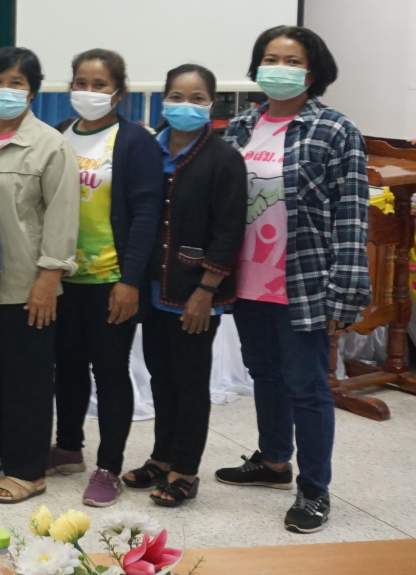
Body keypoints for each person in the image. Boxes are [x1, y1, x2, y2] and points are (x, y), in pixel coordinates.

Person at [215, 26, 368, 534]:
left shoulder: (334, 129)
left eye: (292, 60)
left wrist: (346, 290)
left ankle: (315, 489)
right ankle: (274, 461)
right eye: (270, 58)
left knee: (307, 386)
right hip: (247, 278)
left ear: (313, 69)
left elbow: (351, 215)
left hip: (304, 279)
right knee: (265, 373)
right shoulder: (241, 126)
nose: (279, 68)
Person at [0, 47, 79, 504]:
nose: (5, 91)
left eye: (16, 83)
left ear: (32, 92)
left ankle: (28, 468)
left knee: (26, 379)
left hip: (26, 282)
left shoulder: (50, 145)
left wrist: (48, 279)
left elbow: (62, 216)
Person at [123, 63, 246, 509]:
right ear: (163, 99)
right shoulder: (148, 150)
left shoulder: (223, 159)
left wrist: (206, 290)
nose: (185, 105)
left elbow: (229, 230)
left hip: (195, 292)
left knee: (191, 382)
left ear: (211, 104)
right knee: (161, 375)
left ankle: (185, 469)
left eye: (197, 98)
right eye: (177, 96)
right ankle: (161, 456)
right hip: (154, 288)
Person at [50, 49, 162, 507]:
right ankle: (68, 446)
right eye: (81, 82)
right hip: (63, 279)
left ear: (119, 91)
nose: (88, 91)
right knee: (67, 367)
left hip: (111, 280)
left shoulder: (134, 141)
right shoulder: (60, 133)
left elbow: (146, 215)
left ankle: (108, 467)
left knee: (111, 372)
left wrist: (130, 280)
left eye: (99, 85)